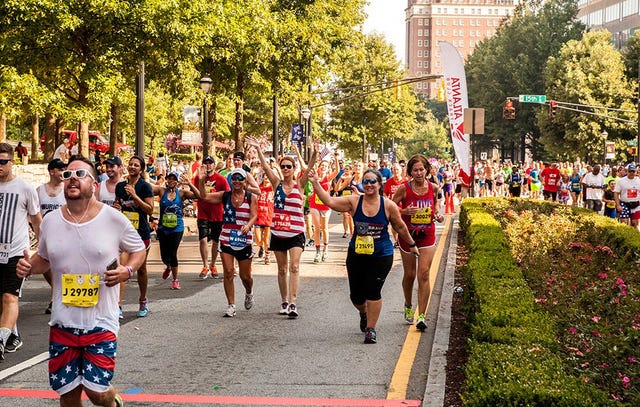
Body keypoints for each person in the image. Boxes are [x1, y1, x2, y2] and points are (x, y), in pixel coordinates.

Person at [16, 156, 146, 407]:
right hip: (63, 321)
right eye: (67, 175)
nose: (72, 178)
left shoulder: (113, 219)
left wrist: (127, 271)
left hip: (101, 320)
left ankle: (112, 400)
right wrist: (27, 267)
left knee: (96, 393)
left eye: (80, 174)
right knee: (68, 392)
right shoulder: (51, 221)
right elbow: (44, 258)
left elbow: (138, 249)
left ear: (95, 184)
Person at [309, 168, 419, 343]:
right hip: (357, 254)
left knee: (373, 291)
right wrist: (315, 182)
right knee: (357, 297)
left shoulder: (388, 205)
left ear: (379, 184)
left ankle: (371, 329)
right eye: (365, 182)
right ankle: (363, 312)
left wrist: (412, 244)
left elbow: (400, 227)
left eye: (372, 182)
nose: (368, 185)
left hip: (382, 254)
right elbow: (329, 201)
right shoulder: (354, 202)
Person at [248, 138, 317, 317]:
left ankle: (293, 303)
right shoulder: (276, 183)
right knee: (281, 269)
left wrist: (315, 152)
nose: (286, 169)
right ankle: (284, 301)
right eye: (283, 166)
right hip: (278, 231)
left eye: (289, 166)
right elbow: (265, 167)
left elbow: (309, 168)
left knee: (294, 267)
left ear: (294, 169)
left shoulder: (300, 185)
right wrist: (258, 150)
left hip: (295, 232)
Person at [392, 154, 444, 332]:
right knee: (410, 275)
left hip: (427, 235)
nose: (419, 173)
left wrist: (438, 214)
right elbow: (389, 207)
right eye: (415, 170)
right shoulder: (403, 189)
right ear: (410, 172)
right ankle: (408, 303)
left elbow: (437, 206)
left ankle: (421, 315)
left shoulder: (434, 188)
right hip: (408, 235)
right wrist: (405, 210)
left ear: (427, 170)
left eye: (421, 169)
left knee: (424, 274)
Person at [0, 143, 41, 357]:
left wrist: (43, 249)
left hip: (16, 252)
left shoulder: (25, 188)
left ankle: (0, 340)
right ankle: (12, 336)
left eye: (3, 161)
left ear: (12, 162)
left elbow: (36, 220)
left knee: (10, 297)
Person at [198, 168, 257, 318]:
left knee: (245, 276)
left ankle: (249, 292)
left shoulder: (251, 197)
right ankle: (231, 305)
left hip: (244, 240)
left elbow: (254, 215)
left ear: (245, 181)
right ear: (231, 181)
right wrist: (200, 180)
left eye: (240, 178)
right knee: (229, 272)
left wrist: (248, 225)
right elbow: (204, 196)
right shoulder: (224, 196)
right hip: (226, 238)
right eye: (234, 178)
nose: (237, 181)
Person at [114, 156, 154, 317]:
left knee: (141, 270)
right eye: (130, 164)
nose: (132, 167)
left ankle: (143, 300)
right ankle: (118, 305)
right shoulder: (120, 186)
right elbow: (118, 204)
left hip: (141, 233)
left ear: (141, 169)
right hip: (124, 233)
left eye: (136, 165)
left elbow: (150, 210)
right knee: (123, 268)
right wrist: (116, 207)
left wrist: (135, 196)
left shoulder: (145, 187)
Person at [152, 172, 200, 289]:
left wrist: (189, 183)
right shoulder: (162, 191)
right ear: (166, 180)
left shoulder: (182, 193)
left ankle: (175, 280)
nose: (171, 181)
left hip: (177, 228)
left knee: (173, 253)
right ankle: (168, 266)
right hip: (163, 227)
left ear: (177, 181)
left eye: (174, 179)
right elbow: (147, 189)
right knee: (164, 255)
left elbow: (198, 195)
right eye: (169, 179)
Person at [37, 158, 67, 314]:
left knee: (61, 266)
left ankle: (54, 300)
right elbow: (34, 214)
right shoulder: (39, 191)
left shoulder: (67, 190)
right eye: (60, 169)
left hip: (65, 235)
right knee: (45, 267)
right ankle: (57, 290)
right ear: (52, 171)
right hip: (46, 235)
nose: (63, 173)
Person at [193, 156, 230, 279]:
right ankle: (205, 265)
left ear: (214, 165)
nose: (208, 165)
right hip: (203, 212)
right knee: (203, 239)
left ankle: (213, 264)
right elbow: (195, 193)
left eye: (210, 163)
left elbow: (227, 195)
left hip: (217, 214)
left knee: (216, 241)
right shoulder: (198, 178)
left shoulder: (221, 179)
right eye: (205, 163)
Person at [309, 155, 340, 263]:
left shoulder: (328, 178)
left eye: (325, 166)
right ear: (319, 166)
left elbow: (337, 171)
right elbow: (306, 167)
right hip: (314, 204)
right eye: (322, 165)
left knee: (324, 227)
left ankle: (325, 249)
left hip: (325, 206)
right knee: (317, 227)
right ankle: (317, 251)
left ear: (328, 168)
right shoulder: (315, 177)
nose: (323, 167)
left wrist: (336, 159)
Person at [255, 174, 274, 264]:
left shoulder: (273, 189)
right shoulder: (258, 188)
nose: (266, 178)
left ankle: (267, 255)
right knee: (258, 239)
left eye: (268, 176)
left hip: (269, 216)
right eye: (265, 176)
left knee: (267, 239)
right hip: (258, 216)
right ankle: (261, 247)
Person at [614, 163, 640, 227]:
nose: (631, 173)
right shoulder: (621, 181)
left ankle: (633, 236)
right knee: (624, 223)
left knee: (635, 224)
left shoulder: (638, 180)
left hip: (636, 205)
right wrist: (618, 205)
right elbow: (616, 193)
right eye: (630, 171)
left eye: (633, 171)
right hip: (624, 204)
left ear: (635, 172)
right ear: (627, 171)